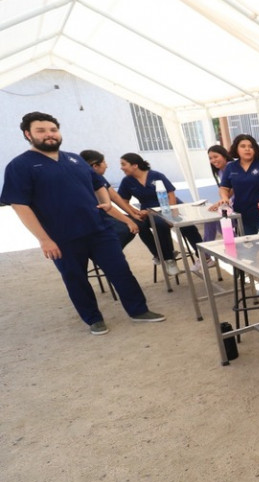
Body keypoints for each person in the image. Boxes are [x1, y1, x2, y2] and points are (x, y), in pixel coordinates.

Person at [1, 112, 166, 335]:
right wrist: (44, 240)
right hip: (61, 237)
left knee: (121, 270)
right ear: (27, 134)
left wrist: (107, 203)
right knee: (75, 279)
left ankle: (139, 310)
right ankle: (93, 319)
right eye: (41, 131)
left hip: (99, 230)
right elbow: (20, 205)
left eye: (53, 130)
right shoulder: (20, 166)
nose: (49, 135)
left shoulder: (74, 159)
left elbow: (99, 184)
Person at [80, 149, 179, 276]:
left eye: (123, 164)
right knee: (128, 228)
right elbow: (109, 206)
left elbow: (116, 198)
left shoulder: (99, 177)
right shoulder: (89, 179)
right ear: (95, 165)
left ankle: (166, 256)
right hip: (96, 217)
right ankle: (108, 256)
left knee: (150, 223)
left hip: (161, 208)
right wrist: (129, 220)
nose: (107, 165)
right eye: (104, 162)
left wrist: (134, 214)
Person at [116, 152, 206, 268]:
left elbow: (170, 194)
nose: (121, 167)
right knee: (141, 225)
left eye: (124, 164)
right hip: (148, 211)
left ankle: (203, 256)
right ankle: (163, 256)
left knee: (181, 225)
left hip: (170, 205)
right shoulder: (127, 181)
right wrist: (135, 212)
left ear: (135, 165)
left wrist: (173, 212)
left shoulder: (156, 175)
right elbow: (123, 201)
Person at [213, 134, 259, 235]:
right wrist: (224, 197)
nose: (247, 149)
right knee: (249, 246)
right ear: (236, 149)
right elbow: (224, 188)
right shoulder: (231, 167)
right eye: (243, 146)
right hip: (242, 215)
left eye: (251, 146)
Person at [203, 145, 231, 242]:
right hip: (228, 203)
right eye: (210, 158)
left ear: (224, 156)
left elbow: (233, 189)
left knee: (213, 218)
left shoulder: (231, 167)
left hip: (237, 203)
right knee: (212, 218)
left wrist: (220, 203)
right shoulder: (220, 171)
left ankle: (206, 254)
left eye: (216, 156)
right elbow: (223, 191)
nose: (213, 160)